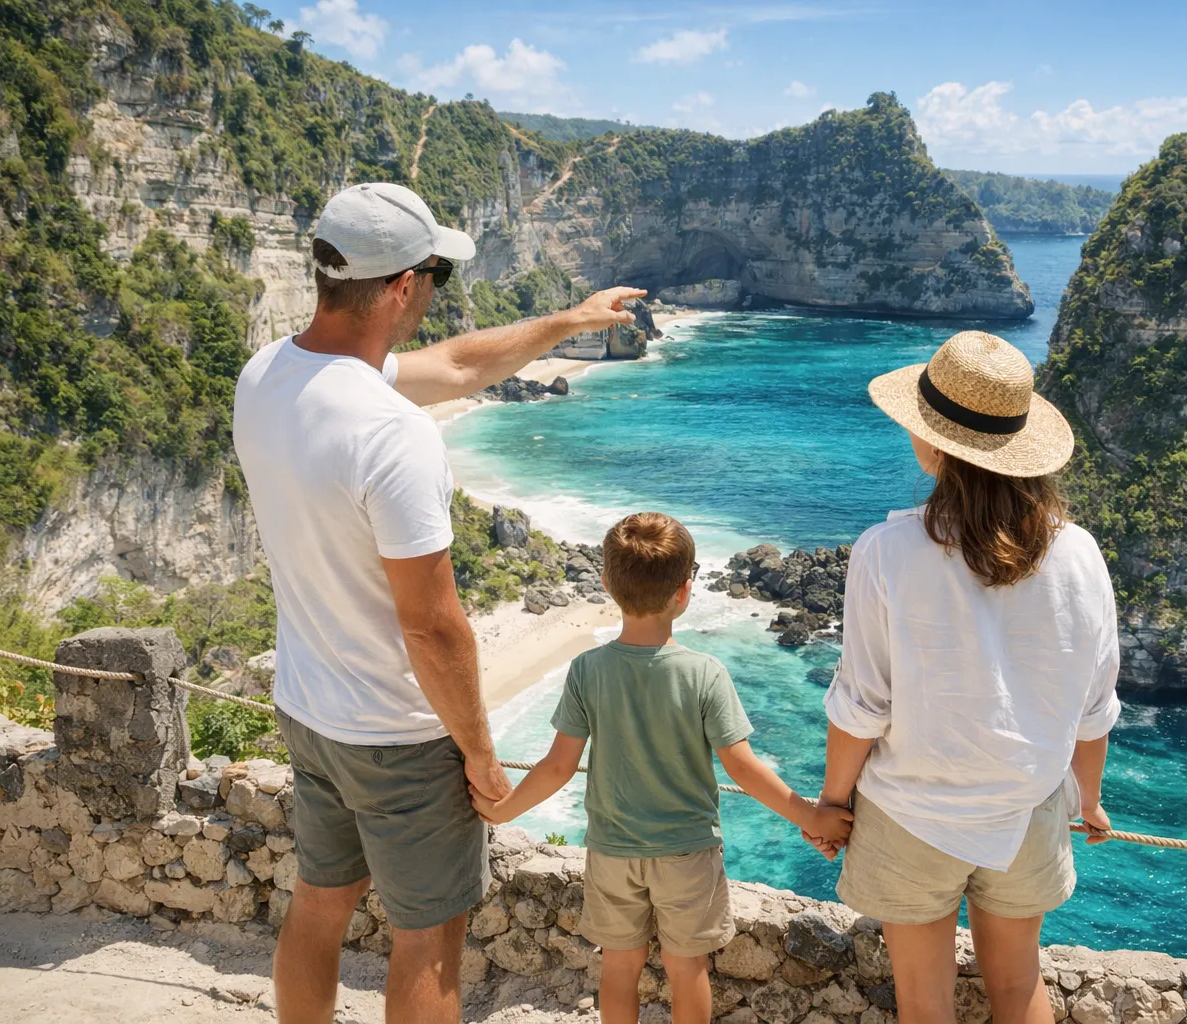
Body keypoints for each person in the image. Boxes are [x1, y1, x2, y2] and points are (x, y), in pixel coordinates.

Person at [232, 181, 646, 1024]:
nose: (433, 294)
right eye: (435, 277)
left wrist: (568, 322)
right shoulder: (392, 432)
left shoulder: (269, 373)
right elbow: (434, 624)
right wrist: (481, 751)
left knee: (319, 901)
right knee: (430, 936)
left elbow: (461, 363)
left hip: (310, 711)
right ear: (399, 287)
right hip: (399, 735)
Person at [813, 331, 1121, 1024]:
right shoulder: (1080, 554)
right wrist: (1088, 800)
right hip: (1031, 808)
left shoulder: (887, 551)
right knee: (1018, 987)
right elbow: (1094, 708)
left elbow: (861, 706)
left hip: (911, 812)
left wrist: (833, 803)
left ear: (935, 444)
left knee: (925, 1000)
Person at [470, 512, 853, 1024]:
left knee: (619, 969)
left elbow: (559, 766)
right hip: (687, 853)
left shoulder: (588, 669)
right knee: (687, 969)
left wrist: (503, 809)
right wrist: (812, 817)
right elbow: (742, 769)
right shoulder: (704, 673)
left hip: (611, 851)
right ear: (685, 590)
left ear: (606, 584)